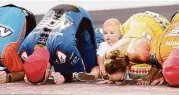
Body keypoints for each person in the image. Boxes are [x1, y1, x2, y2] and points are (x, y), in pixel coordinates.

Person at [19, 4, 100, 85]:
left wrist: (65, 77)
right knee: (60, 70)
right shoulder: (24, 49)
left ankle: (100, 34)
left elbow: (80, 73)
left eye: (43, 80)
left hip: (77, 14)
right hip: (54, 13)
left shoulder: (65, 48)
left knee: (92, 68)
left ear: (48, 68)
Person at [98, 11, 170, 85]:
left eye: (120, 79)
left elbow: (158, 62)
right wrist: (110, 78)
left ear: (125, 68)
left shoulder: (139, 53)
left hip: (156, 22)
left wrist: (148, 77)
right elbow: (112, 66)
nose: (117, 83)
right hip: (134, 21)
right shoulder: (109, 53)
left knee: (164, 52)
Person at [0, 4, 36, 83]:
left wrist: (8, 76)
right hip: (5, 11)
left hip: (25, 16)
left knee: (26, 55)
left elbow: (27, 72)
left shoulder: (6, 54)